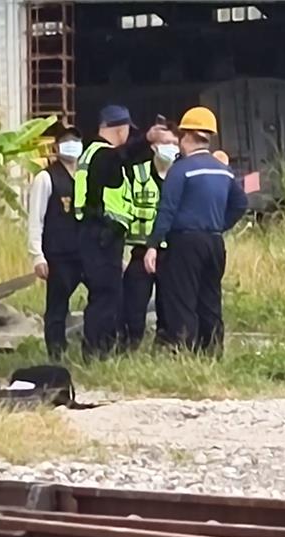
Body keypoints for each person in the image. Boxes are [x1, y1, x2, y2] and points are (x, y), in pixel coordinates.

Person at [143, 107, 248, 355]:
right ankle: (212, 351)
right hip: (214, 243)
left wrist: (153, 245)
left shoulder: (181, 169)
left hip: (186, 243)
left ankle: (185, 351)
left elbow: (167, 209)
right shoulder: (223, 170)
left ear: (187, 135)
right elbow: (240, 203)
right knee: (210, 299)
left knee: (183, 299)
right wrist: (219, 225)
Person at [73, 105, 163, 360]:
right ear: (120, 129)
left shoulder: (91, 153)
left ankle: (98, 349)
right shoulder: (103, 155)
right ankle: (97, 352)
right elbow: (122, 156)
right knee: (106, 295)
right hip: (102, 235)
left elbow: (125, 159)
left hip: (95, 234)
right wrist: (146, 139)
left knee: (105, 294)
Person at [119, 125, 180, 350]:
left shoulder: (181, 175)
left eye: (174, 143)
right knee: (133, 305)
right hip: (141, 249)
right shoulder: (137, 173)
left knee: (169, 306)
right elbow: (124, 208)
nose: (170, 148)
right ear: (154, 147)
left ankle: (164, 346)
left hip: (172, 251)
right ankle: (130, 345)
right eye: (165, 143)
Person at [28, 124, 84, 362]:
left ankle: (95, 347)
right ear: (56, 147)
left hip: (84, 252)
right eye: (67, 141)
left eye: (76, 141)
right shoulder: (46, 178)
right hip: (58, 253)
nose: (72, 146)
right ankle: (56, 354)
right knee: (57, 306)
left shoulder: (84, 177)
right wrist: (37, 255)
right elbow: (35, 218)